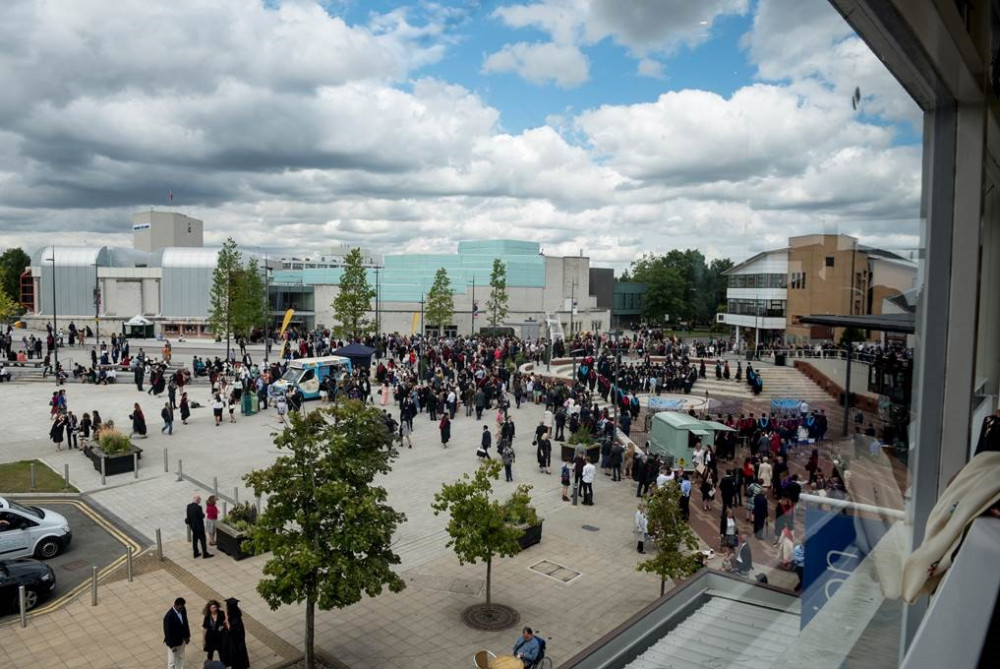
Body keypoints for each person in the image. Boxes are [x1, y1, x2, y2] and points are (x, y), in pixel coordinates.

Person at [163, 597, 191, 669]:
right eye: (180, 607)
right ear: (175, 605)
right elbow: (167, 632)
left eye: (182, 606)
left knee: (181, 657)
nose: (181, 608)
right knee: (172, 661)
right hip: (173, 642)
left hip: (182, 640)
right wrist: (171, 645)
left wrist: (187, 636)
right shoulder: (169, 616)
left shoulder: (183, 610)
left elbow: (185, 623)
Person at [223, 598, 250, 669]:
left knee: (237, 653)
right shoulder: (235, 613)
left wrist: (227, 623)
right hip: (237, 638)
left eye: (227, 606)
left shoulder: (235, 617)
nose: (227, 607)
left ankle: (238, 666)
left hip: (236, 639)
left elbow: (232, 630)